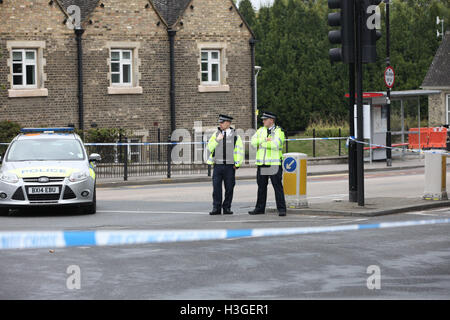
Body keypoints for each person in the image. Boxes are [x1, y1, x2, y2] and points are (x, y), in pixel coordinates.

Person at [248, 111, 287, 216]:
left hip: (274, 164)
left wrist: (262, 143)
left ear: (272, 120)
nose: (263, 121)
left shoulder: (279, 131)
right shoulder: (261, 130)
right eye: (263, 119)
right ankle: (259, 208)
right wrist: (265, 139)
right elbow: (252, 142)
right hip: (262, 164)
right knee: (261, 187)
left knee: (277, 186)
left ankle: (282, 209)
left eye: (265, 119)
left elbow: (276, 145)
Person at [207, 114, 244, 215]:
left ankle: (227, 207)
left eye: (222, 122)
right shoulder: (215, 134)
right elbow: (209, 148)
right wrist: (217, 140)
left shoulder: (236, 136)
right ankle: (216, 208)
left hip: (229, 166)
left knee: (229, 188)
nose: (220, 124)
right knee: (216, 188)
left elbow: (240, 150)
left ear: (228, 123)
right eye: (220, 122)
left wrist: (237, 164)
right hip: (218, 165)